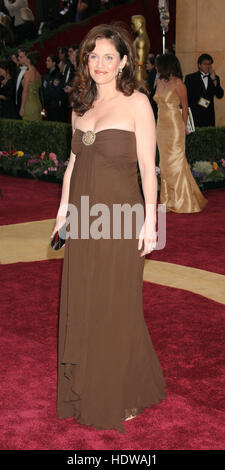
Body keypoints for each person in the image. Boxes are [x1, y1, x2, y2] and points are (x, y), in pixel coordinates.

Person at [52, 23, 166, 434]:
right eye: (93, 56)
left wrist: (152, 222)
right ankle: (96, 385)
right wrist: (64, 214)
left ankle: (121, 391)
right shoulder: (79, 107)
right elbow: (73, 165)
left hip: (121, 219)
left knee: (117, 303)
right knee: (85, 300)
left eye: (108, 57)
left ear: (122, 63)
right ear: (86, 61)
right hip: (83, 220)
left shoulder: (137, 103)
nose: (99, 64)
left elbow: (149, 171)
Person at [154, 54, 208, 213]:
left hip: (175, 127)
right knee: (164, 164)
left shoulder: (179, 84)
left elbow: (185, 108)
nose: (156, 68)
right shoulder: (159, 82)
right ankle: (167, 200)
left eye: (158, 65)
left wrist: (184, 128)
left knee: (175, 162)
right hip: (161, 127)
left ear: (165, 66)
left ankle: (182, 200)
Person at [184, 54, 224, 127]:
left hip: (209, 116)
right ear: (199, 65)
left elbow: (220, 95)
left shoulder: (215, 78)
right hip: (195, 115)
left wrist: (214, 80)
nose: (207, 66)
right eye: (205, 64)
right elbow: (187, 97)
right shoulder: (190, 78)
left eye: (209, 64)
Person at [41, 54, 67, 122]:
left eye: (48, 61)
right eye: (46, 61)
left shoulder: (58, 76)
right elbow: (43, 89)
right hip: (46, 106)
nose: (46, 62)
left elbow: (58, 92)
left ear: (54, 63)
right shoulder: (46, 75)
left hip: (55, 107)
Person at [19, 51, 42, 120]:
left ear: (29, 60)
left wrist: (22, 107)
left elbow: (25, 91)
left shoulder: (27, 74)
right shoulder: (38, 74)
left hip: (29, 105)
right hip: (38, 104)